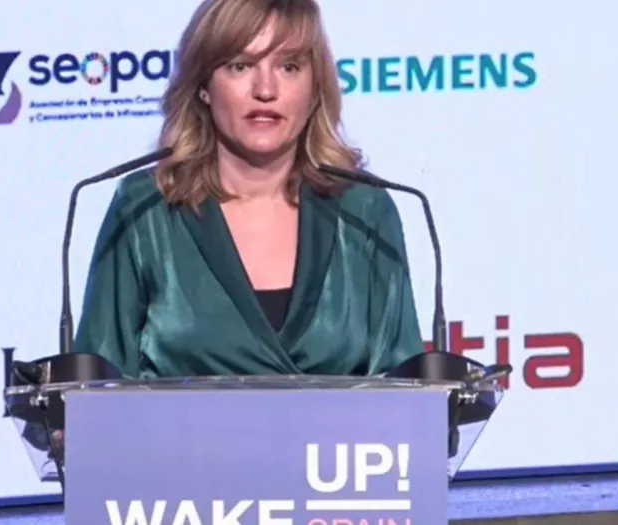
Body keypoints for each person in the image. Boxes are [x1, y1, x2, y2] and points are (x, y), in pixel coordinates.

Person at [72, 0, 424, 379]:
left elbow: (405, 388)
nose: (266, 90)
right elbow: (95, 385)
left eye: (289, 67)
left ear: (314, 88)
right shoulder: (147, 208)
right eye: (240, 66)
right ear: (203, 86)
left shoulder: (363, 210)